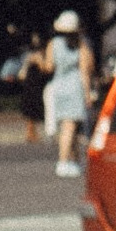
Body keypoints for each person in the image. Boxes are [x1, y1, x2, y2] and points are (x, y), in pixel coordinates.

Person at [43, 9, 93, 176]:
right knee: (71, 126)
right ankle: (63, 161)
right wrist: (87, 94)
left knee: (66, 126)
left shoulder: (53, 44)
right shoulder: (81, 44)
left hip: (59, 86)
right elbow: (85, 71)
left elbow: (49, 67)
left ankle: (73, 161)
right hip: (75, 87)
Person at [14, 37, 49, 145]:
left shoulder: (29, 56)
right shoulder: (37, 56)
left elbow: (22, 74)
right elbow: (44, 68)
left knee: (30, 113)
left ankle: (31, 133)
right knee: (32, 112)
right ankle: (31, 134)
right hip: (34, 86)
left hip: (30, 85)